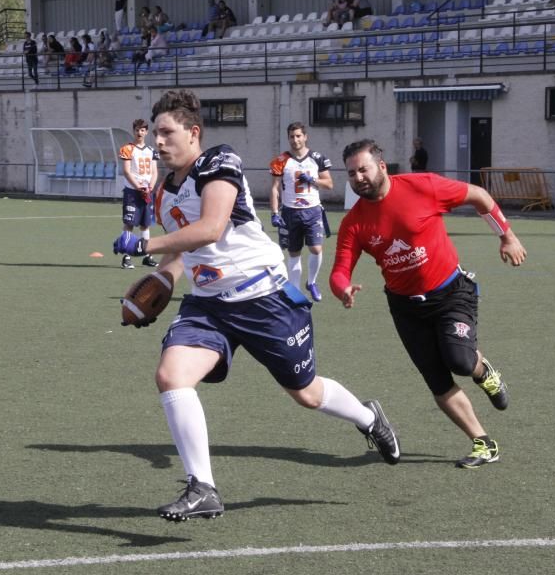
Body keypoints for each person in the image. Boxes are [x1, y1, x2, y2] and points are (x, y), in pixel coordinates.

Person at [112, 91, 400, 522]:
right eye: (155, 133)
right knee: (171, 376)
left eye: (167, 132)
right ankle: (203, 487)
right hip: (208, 305)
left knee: (306, 393)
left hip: (264, 298)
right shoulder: (162, 191)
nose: (159, 142)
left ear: (193, 132)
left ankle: (367, 417)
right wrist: (159, 282)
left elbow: (210, 229)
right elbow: (183, 255)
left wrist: (144, 243)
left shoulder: (220, 161)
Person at [332, 139, 527, 469]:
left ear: (381, 167)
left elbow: (479, 196)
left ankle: (484, 371)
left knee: (461, 361)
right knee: (437, 379)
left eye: (362, 169)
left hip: (451, 293)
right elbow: (340, 270)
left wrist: (506, 235)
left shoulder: (424, 186)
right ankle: (483, 443)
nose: (358, 178)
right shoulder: (354, 222)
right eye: (351, 174)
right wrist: (343, 289)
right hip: (406, 308)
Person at [269, 122, 333, 303]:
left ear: (305, 137)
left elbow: (329, 184)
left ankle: (312, 282)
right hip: (290, 211)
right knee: (294, 252)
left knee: (316, 248)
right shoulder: (281, 161)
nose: (295, 140)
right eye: (291, 136)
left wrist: (312, 180)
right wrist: (274, 212)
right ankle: (295, 291)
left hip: (312, 210)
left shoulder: (317, 158)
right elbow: (274, 188)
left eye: (298, 136)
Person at [117, 118, 159, 269]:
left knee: (145, 224)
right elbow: (127, 171)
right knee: (129, 224)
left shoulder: (152, 151)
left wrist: (150, 187)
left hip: (146, 191)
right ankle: (126, 257)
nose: (139, 133)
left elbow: (154, 172)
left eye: (142, 130)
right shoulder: (128, 149)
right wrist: (138, 186)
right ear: (133, 131)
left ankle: (147, 255)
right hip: (132, 192)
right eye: (137, 130)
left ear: (146, 132)